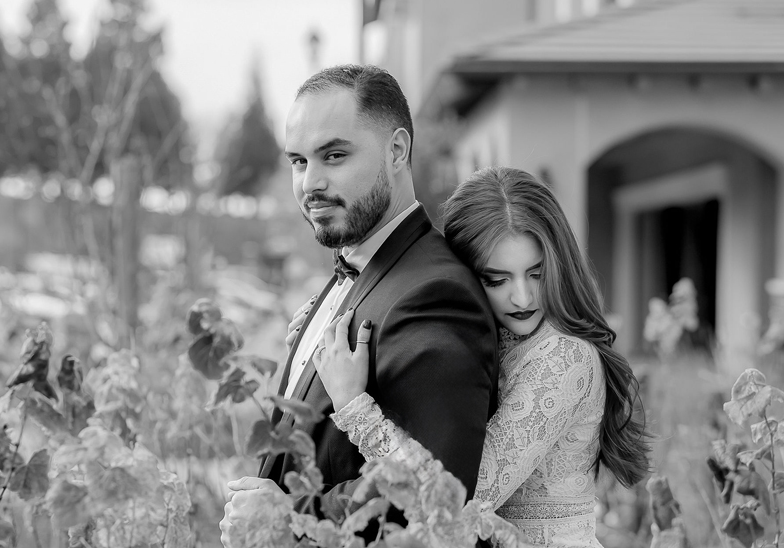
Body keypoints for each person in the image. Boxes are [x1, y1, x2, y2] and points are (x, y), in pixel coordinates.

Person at [219, 65, 499, 546]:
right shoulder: (356, 264)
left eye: (333, 155)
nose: (310, 183)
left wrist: (285, 514)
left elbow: (436, 496)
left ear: (396, 151)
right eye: (299, 161)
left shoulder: (436, 296)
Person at [313, 166, 651, 547]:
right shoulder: (486, 338)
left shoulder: (564, 357)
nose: (522, 298)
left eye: (536, 274)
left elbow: (457, 502)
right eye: (497, 279)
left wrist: (355, 408)